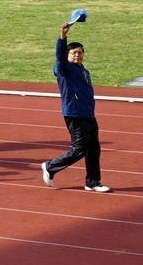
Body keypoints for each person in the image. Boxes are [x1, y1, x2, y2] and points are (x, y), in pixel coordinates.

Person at [42, 22, 109, 192]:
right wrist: (63, 36)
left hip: (88, 114)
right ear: (68, 55)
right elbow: (59, 56)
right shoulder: (64, 69)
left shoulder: (84, 71)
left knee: (94, 149)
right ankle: (50, 166)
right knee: (79, 149)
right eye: (73, 53)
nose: (77, 55)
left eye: (80, 52)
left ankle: (93, 182)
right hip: (75, 114)